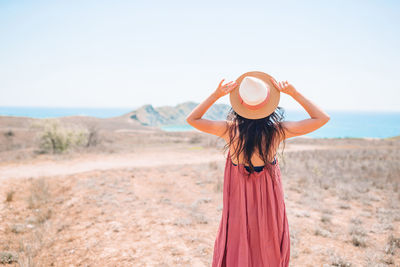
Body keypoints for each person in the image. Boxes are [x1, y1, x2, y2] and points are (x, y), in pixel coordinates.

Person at [186, 71, 330, 267]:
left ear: (240, 104)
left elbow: (192, 119)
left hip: (238, 200)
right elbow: (322, 118)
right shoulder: (277, 132)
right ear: (269, 104)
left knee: (238, 239)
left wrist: (215, 95)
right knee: (267, 240)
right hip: (269, 201)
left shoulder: (230, 131)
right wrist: (294, 93)